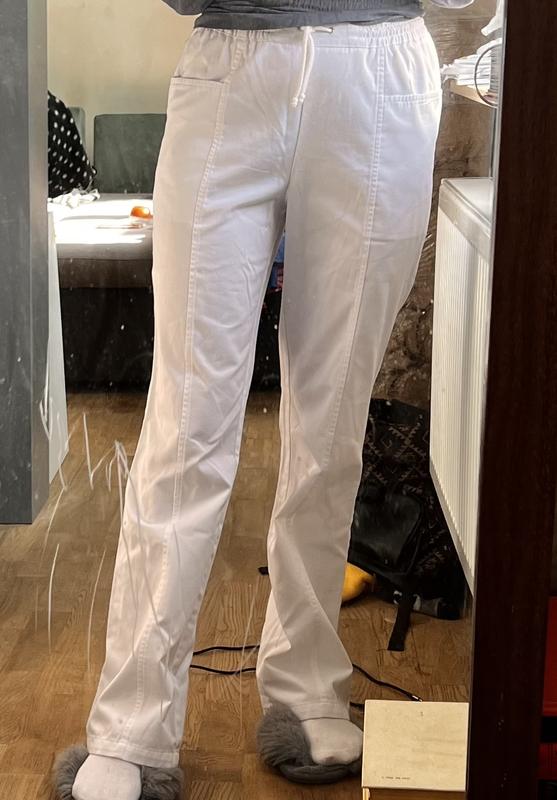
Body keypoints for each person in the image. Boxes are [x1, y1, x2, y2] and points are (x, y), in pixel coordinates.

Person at [53, 0, 474, 798]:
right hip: (230, 64)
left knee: (332, 422)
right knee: (186, 423)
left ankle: (307, 687)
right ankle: (131, 727)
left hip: (381, 68)